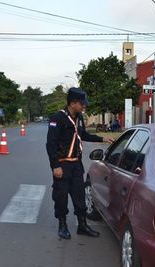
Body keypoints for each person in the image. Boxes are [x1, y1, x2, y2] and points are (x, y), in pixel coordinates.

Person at [46, 87, 113, 239]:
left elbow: (82, 134)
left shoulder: (80, 118)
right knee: (61, 197)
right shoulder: (57, 118)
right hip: (62, 165)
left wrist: (101, 139)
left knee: (80, 196)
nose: (84, 106)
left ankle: (82, 226)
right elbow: (50, 144)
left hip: (76, 165)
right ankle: (62, 226)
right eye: (82, 103)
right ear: (73, 103)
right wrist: (55, 166)